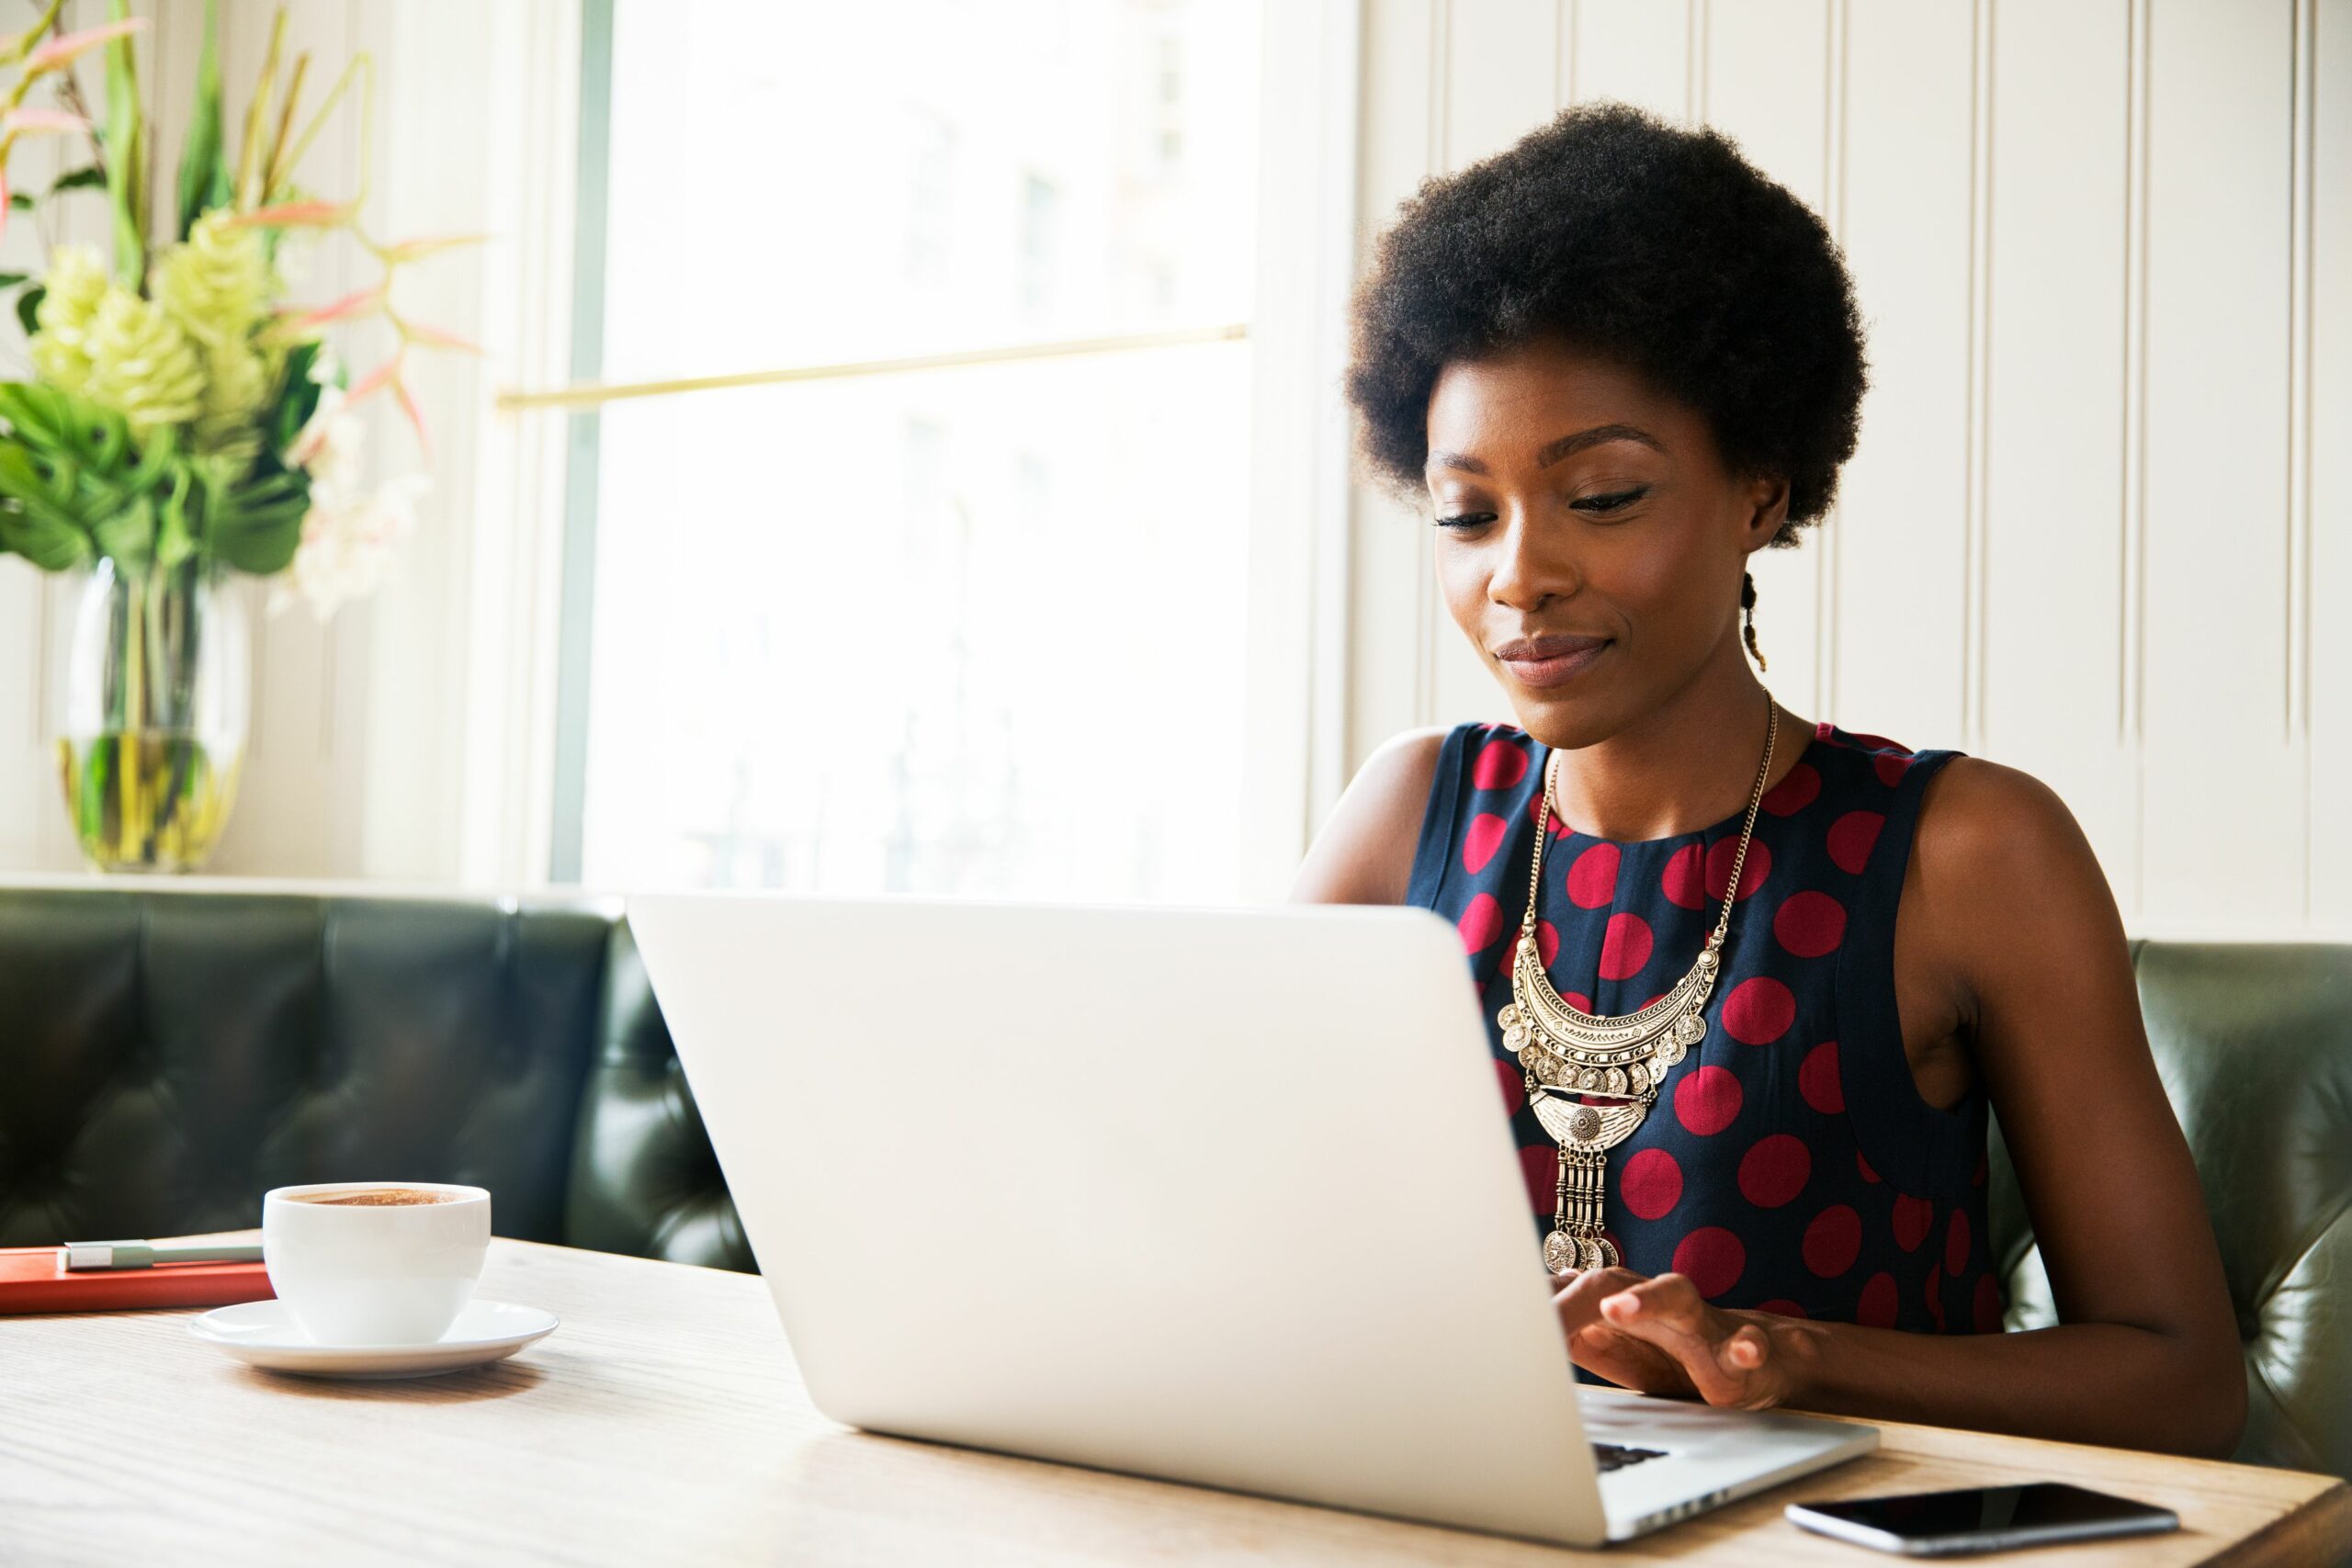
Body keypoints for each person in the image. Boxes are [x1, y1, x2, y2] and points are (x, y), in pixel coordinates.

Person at [1290, 102, 2243, 1459]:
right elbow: (1235, 1242)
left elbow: (2182, 1381)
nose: (1518, 576)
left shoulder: (1966, 852)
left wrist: (1790, 1360)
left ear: (1757, 489)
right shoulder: (1404, 819)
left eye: (1603, 496)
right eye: (1466, 513)